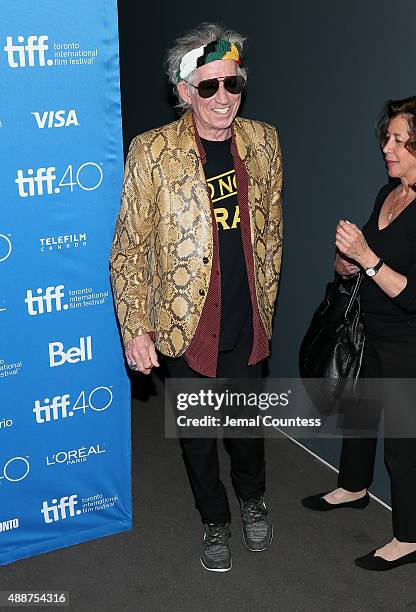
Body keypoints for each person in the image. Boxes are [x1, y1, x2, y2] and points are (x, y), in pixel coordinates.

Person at [110, 23, 283, 572]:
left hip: (248, 320)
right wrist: (136, 326)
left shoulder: (264, 141)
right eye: (207, 87)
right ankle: (215, 521)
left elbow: (271, 228)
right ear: (184, 91)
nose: (223, 99)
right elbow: (129, 247)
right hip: (187, 325)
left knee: (246, 433)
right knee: (199, 439)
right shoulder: (152, 152)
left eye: (231, 85)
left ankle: (253, 499)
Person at [302, 96, 416, 571]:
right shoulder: (387, 194)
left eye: (399, 141)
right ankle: (353, 487)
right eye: (386, 138)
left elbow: (410, 294)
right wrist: (347, 264)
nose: (386, 148)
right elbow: (363, 264)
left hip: (407, 345)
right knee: (359, 416)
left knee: (404, 446)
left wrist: (367, 258)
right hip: (370, 330)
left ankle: (410, 538)